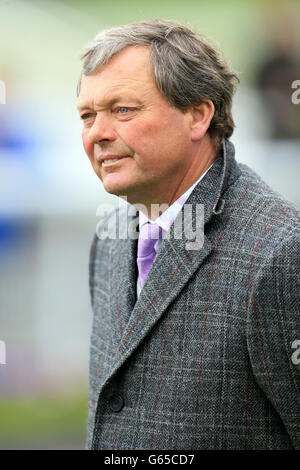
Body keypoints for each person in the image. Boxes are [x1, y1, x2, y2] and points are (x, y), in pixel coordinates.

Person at [77, 19, 300, 450]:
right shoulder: (109, 238)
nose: (98, 134)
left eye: (123, 110)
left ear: (198, 115)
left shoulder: (280, 252)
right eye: (88, 115)